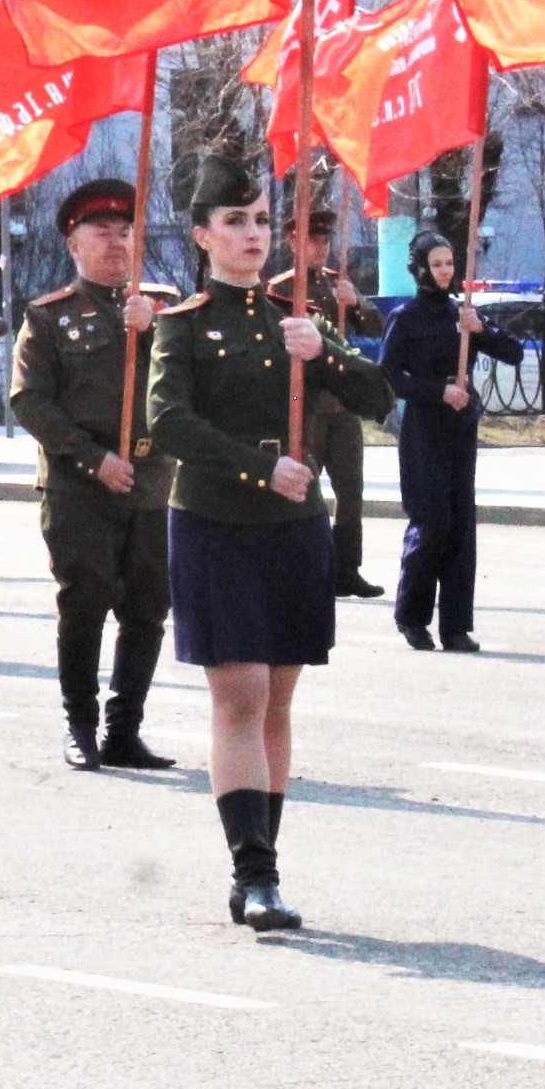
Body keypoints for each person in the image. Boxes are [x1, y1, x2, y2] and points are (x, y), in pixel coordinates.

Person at [144, 153, 394, 930]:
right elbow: (168, 421)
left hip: (292, 531)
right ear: (203, 236)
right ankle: (255, 873)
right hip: (218, 523)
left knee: (278, 699)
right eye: (235, 222)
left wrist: (325, 353)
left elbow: (380, 398)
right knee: (241, 691)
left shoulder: (297, 322)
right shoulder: (183, 326)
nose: (253, 234)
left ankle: (261, 859)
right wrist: (262, 468)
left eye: (261, 220)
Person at [8, 179, 177, 771]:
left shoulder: (162, 307)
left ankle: (123, 727)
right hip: (79, 483)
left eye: (126, 232)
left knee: (148, 608)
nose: (116, 242)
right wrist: (91, 459)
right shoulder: (49, 317)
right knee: (85, 600)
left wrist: (153, 326)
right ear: (73, 244)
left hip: (152, 478)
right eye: (101, 232)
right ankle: (79, 723)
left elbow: (190, 382)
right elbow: (29, 401)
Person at [378, 232, 520, 654]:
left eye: (449, 263)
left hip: (460, 425)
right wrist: (436, 392)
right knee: (432, 521)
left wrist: (483, 329)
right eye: (436, 264)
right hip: (424, 423)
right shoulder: (407, 317)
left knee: (460, 525)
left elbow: (513, 352)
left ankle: (456, 625)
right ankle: (412, 616)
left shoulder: (463, 314)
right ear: (420, 268)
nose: (445, 271)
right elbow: (389, 374)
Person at [286, 208, 387, 600]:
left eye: (326, 241)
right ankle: (307, 564)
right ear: (294, 241)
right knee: (304, 488)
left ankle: (347, 567)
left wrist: (357, 301)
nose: (321, 248)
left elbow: (375, 326)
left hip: (342, 406)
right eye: (314, 240)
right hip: (307, 406)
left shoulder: (336, 285)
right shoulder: (281, 287)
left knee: (351, 489)